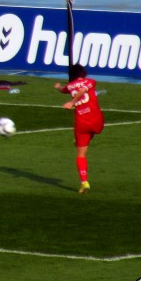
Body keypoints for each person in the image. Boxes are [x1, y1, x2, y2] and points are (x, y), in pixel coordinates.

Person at [54, 64, 105, 194]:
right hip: (97, 121)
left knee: (81, 154)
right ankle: (86, 138)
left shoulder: (70, 86)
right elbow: (80, 90)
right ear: (84, 73)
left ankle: (84, 182)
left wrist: (70, 101)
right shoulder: (91, 81)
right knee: (91, 132)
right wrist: (60, 88)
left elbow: (70, 90)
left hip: (82, 123)